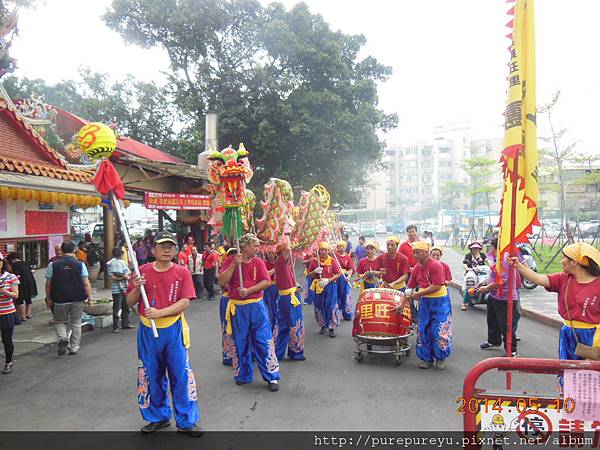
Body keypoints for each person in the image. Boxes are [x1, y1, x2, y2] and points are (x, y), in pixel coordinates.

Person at [125, 231, 202, 436]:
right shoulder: (142, 271)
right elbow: (129, 301)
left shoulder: (182, 272)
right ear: (153, 249)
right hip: (148, 331)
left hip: (173, 329)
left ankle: (186, 421)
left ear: (175, 250)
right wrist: (136, 288)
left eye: (171, 246)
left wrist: (160, 313)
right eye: (162, 246)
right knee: (151, 375)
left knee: (181, 375)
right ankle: (157, 417)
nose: (167, 250)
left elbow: (185, 301)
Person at [509, 242, 600, 364]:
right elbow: (538, 279)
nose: (561, 261)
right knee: (566, 372)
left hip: (593, 336)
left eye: (564, 258)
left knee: (590, 375)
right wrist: (519, 266)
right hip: (568, 332)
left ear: (575, 262)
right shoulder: (563, 279)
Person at [219, 233, 280, 391]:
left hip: (256, 306)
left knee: (263, 340)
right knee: (240, 342)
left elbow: (266, 282)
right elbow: (222, 281)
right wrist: (233, 265)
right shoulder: (230, 261)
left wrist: (249, 290)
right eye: (254, 245)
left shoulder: (258, 262)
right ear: (245, 247)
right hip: (238, 308)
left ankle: (272, 376)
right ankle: (243, 374)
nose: (257, 248)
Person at [404, 241, 452, 370]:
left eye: (418, 252)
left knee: (439, 330)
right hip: (424, 302)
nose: (415, 255)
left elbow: (437, 286)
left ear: (426, 253)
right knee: (423, 329)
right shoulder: (416, 269)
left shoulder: (436, 266)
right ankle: (426, 358)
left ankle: (441, 357)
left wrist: (419, 293)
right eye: (413, 252)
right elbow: (410, 287)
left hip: (440, 301)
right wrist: (403, 303)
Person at [45, 241, 94, 356]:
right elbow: (86, 282)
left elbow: (48, 284)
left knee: (60, 321)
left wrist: (49, 298)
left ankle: (63, 339)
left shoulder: (53, 264)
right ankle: (74, 347)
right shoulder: (80, 264)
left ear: (61, 250)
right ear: (74, 250)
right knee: (76, 322)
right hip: (77, 298)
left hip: (59, 299)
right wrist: (90, 298)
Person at [478, 239, 520, 357]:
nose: (490, 249)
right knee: (492, 320)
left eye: (490, 247)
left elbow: (502, 280)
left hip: (505, 299)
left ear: (494, 247)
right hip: (494, 296)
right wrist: (484, 283)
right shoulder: (497, 259)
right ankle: (493, 340)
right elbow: (493, 276)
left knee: (505, 324)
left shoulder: (505, 259)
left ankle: (512, 350)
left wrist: (486, 288)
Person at [274, 240, 305, 361]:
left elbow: (290, 281)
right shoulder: (280, 262)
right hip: (288, 299)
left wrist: (297, 285)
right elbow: (287, 250)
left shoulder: (287, 265)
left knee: (284, 326)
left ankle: (279, 353)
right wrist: (288, 235)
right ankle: (295, 353)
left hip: (289, 296)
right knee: (294, 325)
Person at [307, 242, 342, 338]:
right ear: (319, 251)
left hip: (330, 286)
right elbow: (309, 275)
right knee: (319, 305)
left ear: (328, 251)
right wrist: (314, 271)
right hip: (319, 286)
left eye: (325, 250)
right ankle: (322, 325)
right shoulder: (314, 261)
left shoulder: (332, 261)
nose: (323, 252)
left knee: (331, 305)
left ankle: (331, 327)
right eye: (322, 249)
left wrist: (329, 280)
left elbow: (338, 274)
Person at [0, 253, 19, 374]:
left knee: (6, 339)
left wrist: (4, 291)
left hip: (6, 312)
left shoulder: (10, 277)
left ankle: (8, 362)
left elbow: (16, 295)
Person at [218, 248, 237, 366]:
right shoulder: (227, 262)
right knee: (227, 327)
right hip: (228, 299)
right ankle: (229, 354)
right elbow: (223, 281)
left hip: (242, 301)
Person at [107, 247, 133, 333]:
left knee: (120, 307)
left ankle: (119, 326)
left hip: (117, 289)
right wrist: (124, 277)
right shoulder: (119, 263)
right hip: (123, 288)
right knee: (122, 307)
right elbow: (128, 273)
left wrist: (121, 277)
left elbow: (111, 276)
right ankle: (121, 324)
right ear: (121, 255)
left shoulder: (110, 264)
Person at [6, 252, 37, 322]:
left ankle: (23, 316)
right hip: (30, 281)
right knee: (28, 298)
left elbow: (17, 276)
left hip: (21, 283)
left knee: (20, 299)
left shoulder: (15, 265)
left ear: (12, 259)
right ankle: (28, 314)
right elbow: (33, 271)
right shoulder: (25, 262)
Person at [335, 240, 355, 321]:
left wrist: (349, 277)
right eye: (340, 247)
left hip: (344, 278)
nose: (341, 248)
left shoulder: (347, 256)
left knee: (346, 295)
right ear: (337, 248)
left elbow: (350, 268)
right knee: (334, 296)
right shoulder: (334, 256)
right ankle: (334, 316)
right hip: (336, 277)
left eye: (343, 246)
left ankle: (347, 315)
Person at [263, 246, 279, 332]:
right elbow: (265, 275)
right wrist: (274, 269)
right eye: (269, 253)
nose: (271, 255)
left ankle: (278, 327)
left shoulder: (279, 261)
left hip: (279, 287)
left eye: (273, 253)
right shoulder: (264, 263)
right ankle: (271, 329)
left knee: (279, 309)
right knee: (270, 310)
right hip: (269, 288)